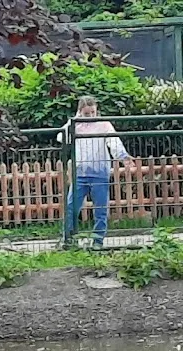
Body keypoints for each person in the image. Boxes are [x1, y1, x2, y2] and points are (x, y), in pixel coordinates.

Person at [60, 96, 135, 249]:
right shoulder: (76, 124)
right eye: (87, 113)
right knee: (71, 207)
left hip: (100, 172)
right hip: (80, 173)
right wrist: (74, 121)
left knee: (100, 209)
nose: (91, 116)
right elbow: (61, 138)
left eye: (93, 112)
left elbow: (114, 142)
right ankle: (69, 240)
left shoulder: (104, 125)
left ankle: (98, 242)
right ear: (80, 112)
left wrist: (123, 157)